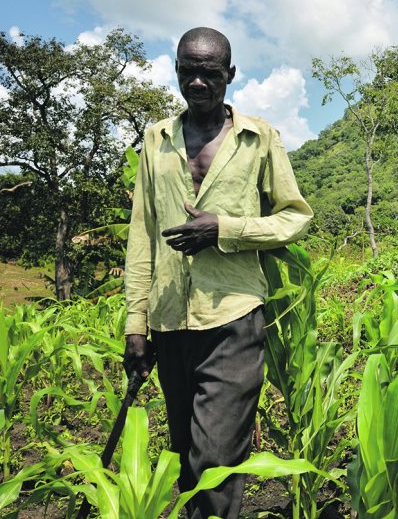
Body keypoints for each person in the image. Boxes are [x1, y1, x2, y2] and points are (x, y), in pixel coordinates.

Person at [123, 27, 313, 518]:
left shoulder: (259, 137)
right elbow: (142, 234)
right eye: (189, 71)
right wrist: (135, 325)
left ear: (229, 74)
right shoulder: (155, 139)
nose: (198, 83)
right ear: (177, 72)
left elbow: (295, 217)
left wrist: (224, 229)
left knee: (214, 460)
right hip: (169, 321)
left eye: (210, 73)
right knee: (185, 456)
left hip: (233, 317)